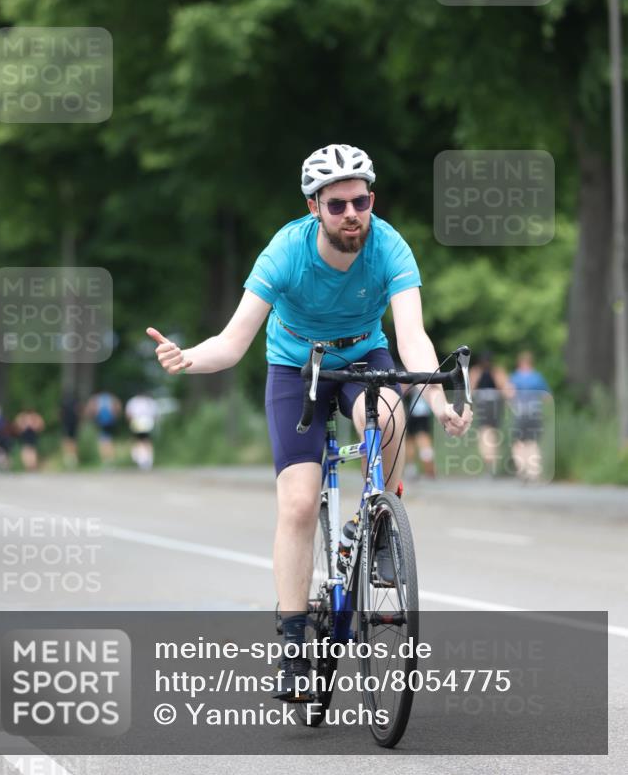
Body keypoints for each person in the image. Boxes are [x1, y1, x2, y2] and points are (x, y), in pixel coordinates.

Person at [147, 143, 472, 700]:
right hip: (297, 368)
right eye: (338, 205)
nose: (352, 215)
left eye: (361, 201)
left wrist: (439, 400)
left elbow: (412, 336)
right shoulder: (283, 255)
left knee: (390, 409)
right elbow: (231, 342)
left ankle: (382, 520)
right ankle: (295, 647)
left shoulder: (389, 245)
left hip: (363, 356)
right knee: (298, 502)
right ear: (313, 208)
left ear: (372, 200)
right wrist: (189, 359)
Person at [509, 350, 551, 483]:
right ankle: (534, 471)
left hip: (520, 413)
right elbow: (547, 397)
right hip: (535, 413)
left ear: (520, 363)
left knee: (518, 443)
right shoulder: (537, 377)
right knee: (532, 442)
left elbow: (509, 394)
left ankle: (522, 469)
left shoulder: (515, 377)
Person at [469, 351, 512, 477]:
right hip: (487, 406)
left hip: (490, 406)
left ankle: (490, 463)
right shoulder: (478, 371)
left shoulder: (494, 371)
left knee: (487, 433)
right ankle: (490, 463)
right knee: (489, 434)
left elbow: (504, 387)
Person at [404, 388, 435, 479]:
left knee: (415, 439)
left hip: (416, 410)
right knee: (415, 439)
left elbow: (404, 388)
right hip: (423, 410)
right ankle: (426, 469)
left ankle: (424, 468)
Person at [84, 391, 122, 465]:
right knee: (108, 439)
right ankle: (111, 458)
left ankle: (106, 459)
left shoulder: (96, 398)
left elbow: (90, 408)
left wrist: (91, 417)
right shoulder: (110, 397)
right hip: (110, 421)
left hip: (101, 421)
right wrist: (116, 416)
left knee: (103, 440)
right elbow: (118, 406)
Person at [125, 392, 158, 470]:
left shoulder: (133, 401)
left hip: (137, 423)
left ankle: (140, 459)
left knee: (139, 440)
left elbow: (129, 414)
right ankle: (148, 459)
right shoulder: (149, 401)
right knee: (146, 440)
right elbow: (155, 415)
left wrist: (130, 423)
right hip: (148, 423)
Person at [60, 391, 80, 469]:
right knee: (74, 440)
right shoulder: (75, 402)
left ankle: (68, 458)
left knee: (67, 440)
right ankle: (74, 458)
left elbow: (60, 413)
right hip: (74, 423)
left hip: (66, 423)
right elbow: (79, 411)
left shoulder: (63, 403)